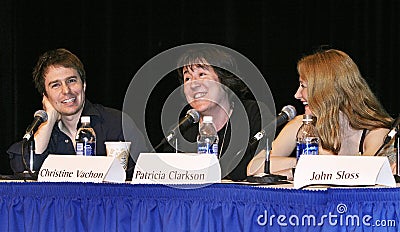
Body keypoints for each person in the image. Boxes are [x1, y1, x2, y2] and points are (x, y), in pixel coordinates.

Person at [248, 48, 396, 176]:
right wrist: (306, 163)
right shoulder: (302, 124)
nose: (297, 95)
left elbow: (363, 172)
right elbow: (254, 167)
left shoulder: (376, 132)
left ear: (327, 91)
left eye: (303, 86)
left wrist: (302, 169)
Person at [7, 48, 148, 179]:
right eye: (55, 85)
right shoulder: (45, 134)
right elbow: (22, 169)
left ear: (84, 85)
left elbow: (148, 173)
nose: (66, 91)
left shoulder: (117, 123)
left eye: (71, 81)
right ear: (45, 96)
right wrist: (48, 122)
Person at [158, 46, 271, 181]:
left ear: (223, 79)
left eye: (202, 74)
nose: (193, 84)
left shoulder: (253, 115)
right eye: (187, 78)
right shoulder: (181, 130)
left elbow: (264, 165)